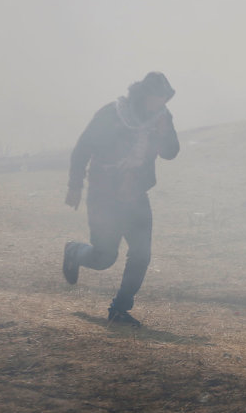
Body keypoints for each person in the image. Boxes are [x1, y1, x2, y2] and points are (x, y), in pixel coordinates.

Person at [61, 72, 180, 327]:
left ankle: (119, 310)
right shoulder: (112, 114)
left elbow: (171, 153)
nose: (160, 104)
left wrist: (164, 134)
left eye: (164, 99)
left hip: (136, 196)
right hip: (104, 195)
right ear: (142, 95)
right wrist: (74, 185)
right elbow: (83, 148)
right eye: (156, 98)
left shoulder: (162, 117)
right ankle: (74, 251)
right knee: (105, 257)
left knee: (141, 254)